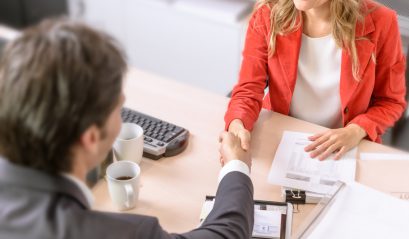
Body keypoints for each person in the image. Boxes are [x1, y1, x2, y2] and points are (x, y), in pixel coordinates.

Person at [0, 19, 254, 239]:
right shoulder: (126, 233)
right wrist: (236, 167)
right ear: (90, 138)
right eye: (119, 109)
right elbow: (227, 233)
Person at [225, 0, 407, 160]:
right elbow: (248, 89)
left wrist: (356, 130)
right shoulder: (266, 15)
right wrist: (237, 123)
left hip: (346, 148)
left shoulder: (382, 21)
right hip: (281, 138)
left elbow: (390, 102)